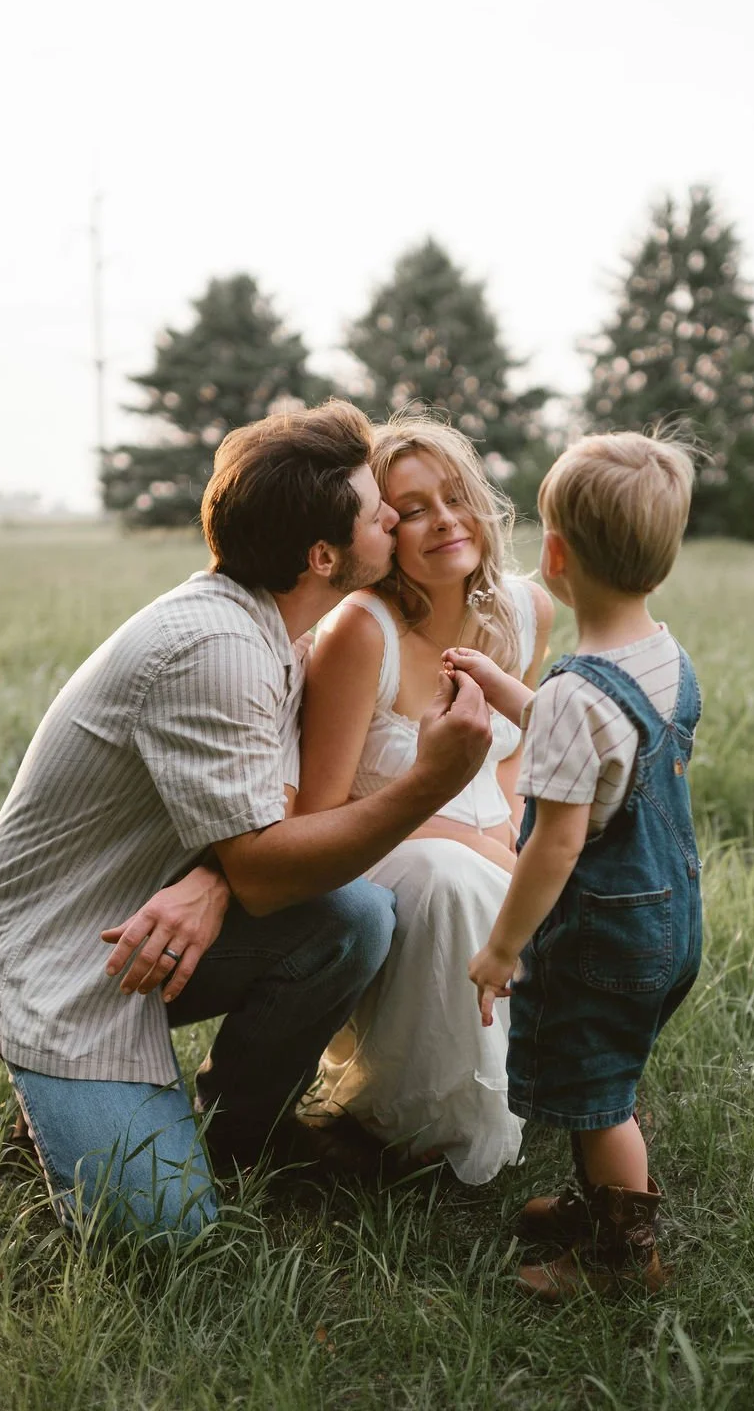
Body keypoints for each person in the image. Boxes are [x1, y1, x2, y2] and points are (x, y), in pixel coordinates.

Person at [0, 401, 492, 1243]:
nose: (394, 520)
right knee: (166, 1236)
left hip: (158, 923)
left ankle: (242, 1134)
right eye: (376, 513)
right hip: (69, 960)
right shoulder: (217, 651)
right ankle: (54, 1111)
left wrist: (218, 879)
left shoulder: (281, 625)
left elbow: (269, 816)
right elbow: (266, 865)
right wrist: (432, 780)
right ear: (322, 556)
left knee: (354, 916)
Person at [456, 428, 702, 1300]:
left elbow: (556, 841)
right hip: (669, 917)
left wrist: (502, 947)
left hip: (603, 931)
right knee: (607, 1067)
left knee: (601, 1097)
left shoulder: (574, 695)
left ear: (555, 556)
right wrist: (505, 688)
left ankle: (622, 1257)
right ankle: (597, 1203)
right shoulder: (662, 657)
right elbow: (600, 749)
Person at [297, 416, 553, 1184]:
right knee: (450, 877)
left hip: (493, 844)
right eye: (411, 510)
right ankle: (417, 1123)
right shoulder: (359, 632)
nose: (443, 520)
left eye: (454, 497)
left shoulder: (525, 611)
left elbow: (509, 765)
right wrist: (473, 845)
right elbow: (317, 818)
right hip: (382, 862)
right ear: (382, 532)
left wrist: (517, 844)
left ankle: (542, 1086)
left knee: (565, 868)